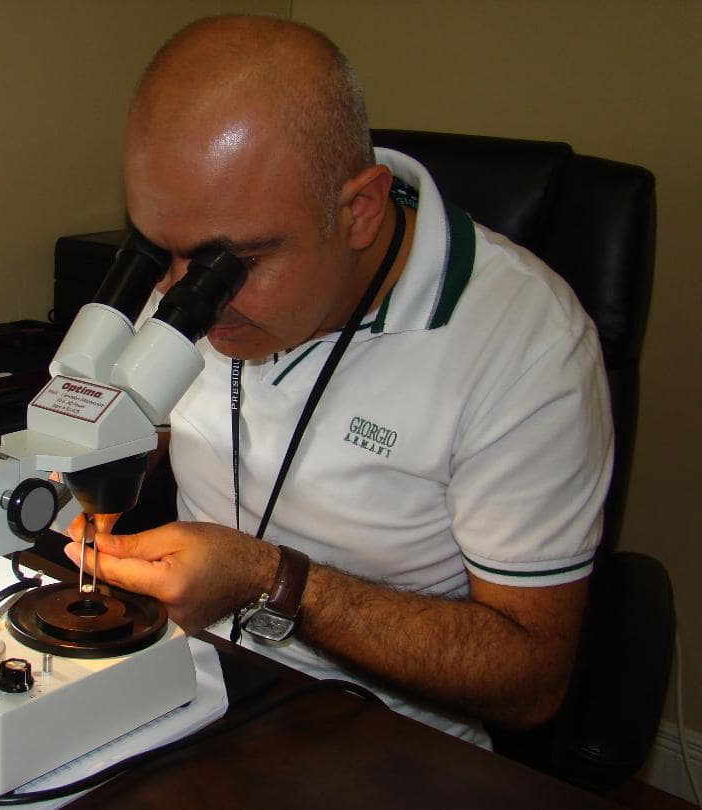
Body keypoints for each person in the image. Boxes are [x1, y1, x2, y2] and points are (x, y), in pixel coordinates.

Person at [64, 14, 612, 747]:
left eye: (231, 266)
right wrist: (78, 473)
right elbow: (130, 426)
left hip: (383, 744)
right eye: (160, 251)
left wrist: (273, 580)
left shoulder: (526, 343)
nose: (182, 296)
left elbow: (531, 678)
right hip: (187, 684)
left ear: (358, 210)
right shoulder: (191, 259)